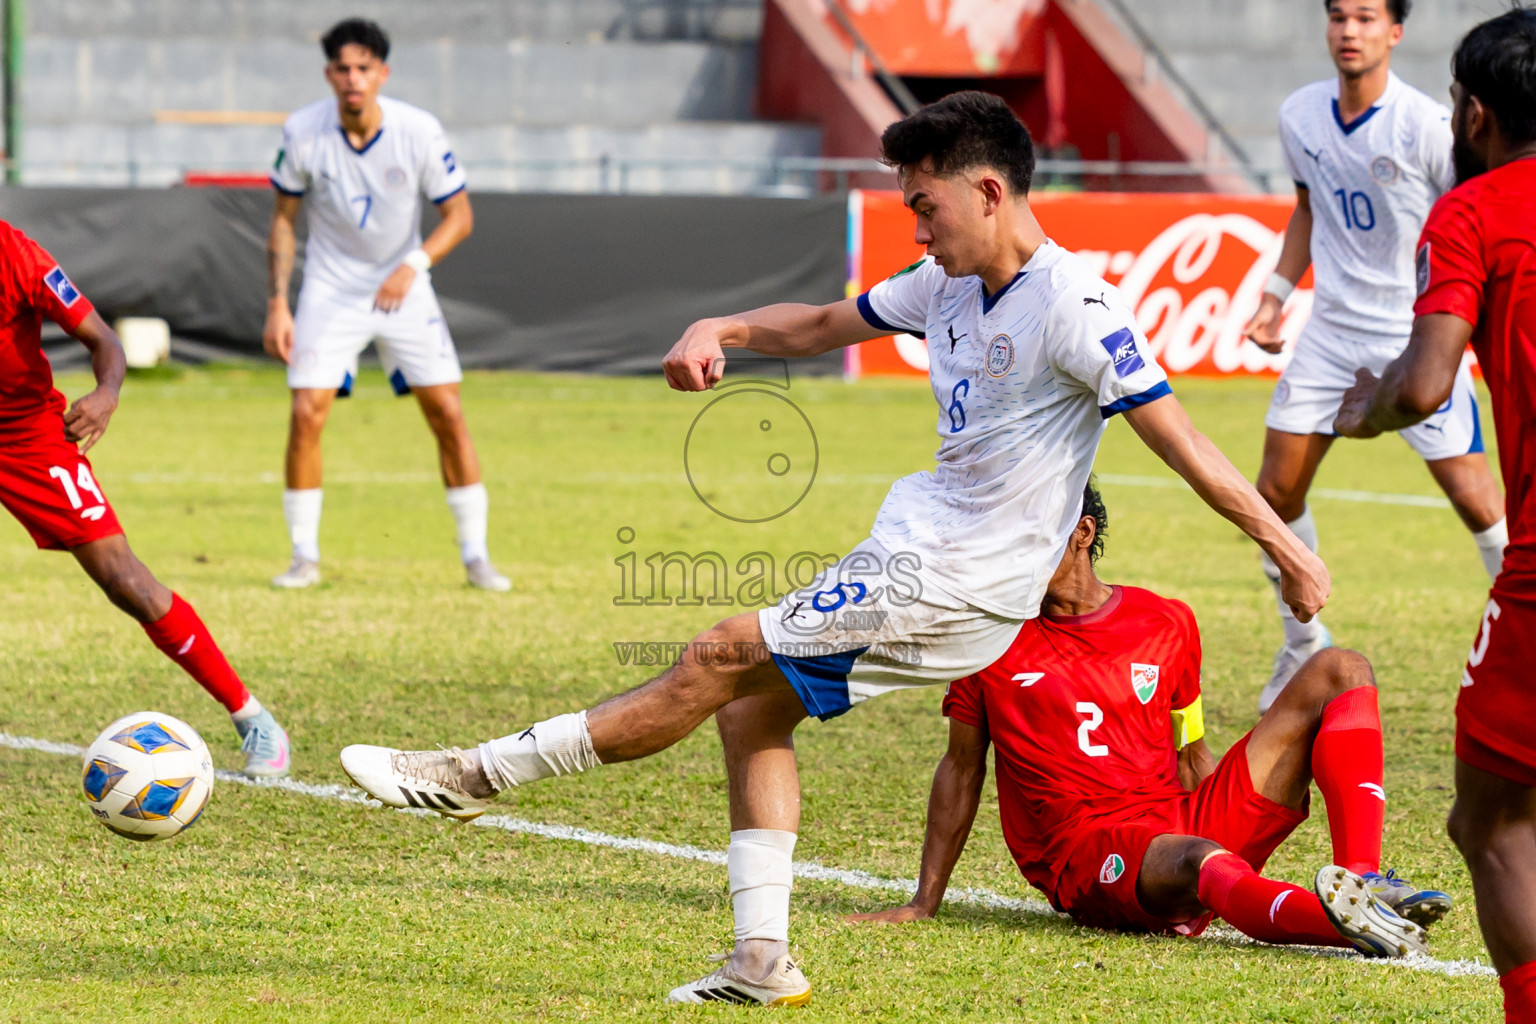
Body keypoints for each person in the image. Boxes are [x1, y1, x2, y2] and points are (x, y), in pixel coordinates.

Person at [339, 92, 1329, 1006]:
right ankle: (760, 960)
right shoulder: (945, 282)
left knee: (721, 653)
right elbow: (817, 324)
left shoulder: (1076, 304)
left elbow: (1183, 439)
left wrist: (1282, 542)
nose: (917, 227)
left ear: (988, 192)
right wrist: (721, 322)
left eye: (925, 205)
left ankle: (477, 775)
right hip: (922, 551)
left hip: (955, 577)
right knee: (753, 707)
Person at [848, 481, 1448, 958]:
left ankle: (1362, 883)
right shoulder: (988, 639)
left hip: (1177, 818)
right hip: (1089, 849)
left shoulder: (1167, 621)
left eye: (1030, 534)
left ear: (1082, 533)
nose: (1011, 550)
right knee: (1198, 858)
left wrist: (1230, 813)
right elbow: (960, 769)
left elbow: (1191, 754)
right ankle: (1335, 922)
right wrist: (925, 900)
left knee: (1340, 668)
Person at [1334, 9, 1536, 1020]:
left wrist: (1366, 411)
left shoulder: (1474, 212)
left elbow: (1423, 386)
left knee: (1491, 820)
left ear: (1474, 110)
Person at [1243, 0, 1505, 712]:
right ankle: (1303, 643)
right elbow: (1306, 209)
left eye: (1364, 18)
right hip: (1329, 333)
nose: (1348, 31)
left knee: (1479, 503)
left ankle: (1524, 637)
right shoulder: (1300, 113)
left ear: (1394, 31)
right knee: (1274, 492)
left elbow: (1468, 215)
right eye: (1337, 17)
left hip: (1415, 334)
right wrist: (1273, 295)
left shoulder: (1425, 124)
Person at [0, 220, 290, 778]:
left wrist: (107, 393)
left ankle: (253, 719)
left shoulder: (21, 257)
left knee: (127, 582)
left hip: (26, 436)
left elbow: (103, 339)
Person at [263, 18, 508, 592]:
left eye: (364, 68)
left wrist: (411, 266)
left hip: (405, 286)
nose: (353, 79)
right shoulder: (302, 131)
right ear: (329, 74)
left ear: (382, 74)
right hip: (330, 288)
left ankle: (476, 555)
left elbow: (460, 217)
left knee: (447, 412)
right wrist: (278, 303)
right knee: (306, 414)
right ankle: (303, 557)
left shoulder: (418, 131)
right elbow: (283, 219)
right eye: (343, 68)